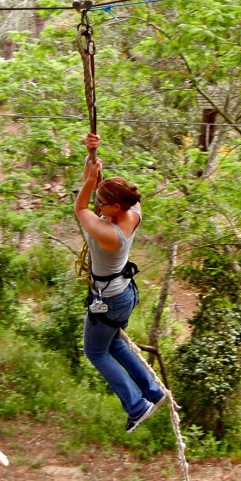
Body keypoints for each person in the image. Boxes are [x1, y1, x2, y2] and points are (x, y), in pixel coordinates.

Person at [76, 132, 166, 432]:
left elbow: (79, 208)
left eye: (102, 204)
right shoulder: (133, 213)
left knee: (96, 352)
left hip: (109, 299)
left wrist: (89, 182)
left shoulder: (108, 235)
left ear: (115, 207)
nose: (98, 206)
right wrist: (92, 158)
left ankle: (137, 406)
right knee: (113, 344)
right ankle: (152, 390)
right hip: (125, 295)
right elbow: (102, 193)